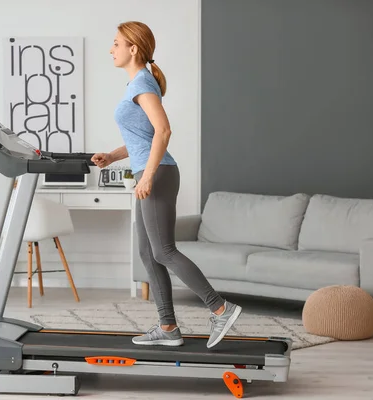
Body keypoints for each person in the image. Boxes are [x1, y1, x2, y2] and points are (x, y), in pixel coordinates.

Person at [91, 21, 242, 349]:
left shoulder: (142, 82)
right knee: (148, 253)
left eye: (116, 43)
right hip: (150, 172)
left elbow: (163, 131)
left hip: (156, 175)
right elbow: (142, 138)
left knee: (163, 250)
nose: (111, 49)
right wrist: (113, 156)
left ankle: (220, 307)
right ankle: (168, 326)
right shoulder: (137, 83)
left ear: (133, 48)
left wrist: (145, 177)